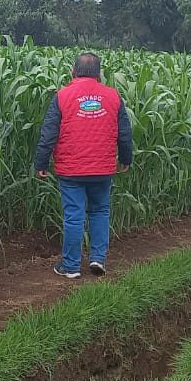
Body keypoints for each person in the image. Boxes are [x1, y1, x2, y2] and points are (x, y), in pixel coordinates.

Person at [34, 52, 134, 278]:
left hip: (71, 170)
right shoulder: (113, 96)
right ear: (99, 74)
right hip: (102, 169)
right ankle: (97, 259)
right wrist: (126, 159)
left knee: (74, 215)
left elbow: (48, 134)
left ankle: (70, 267)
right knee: (99, 211)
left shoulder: (62, 96)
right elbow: (125, 134)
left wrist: (41, 162)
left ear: (73, 72)